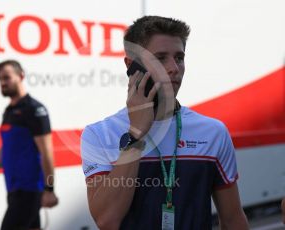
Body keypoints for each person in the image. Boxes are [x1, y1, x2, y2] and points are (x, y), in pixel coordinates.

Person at [80, 16, 249, 229]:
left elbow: (233, 219)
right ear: (131, 66)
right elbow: (107, 220)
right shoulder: (98, 134)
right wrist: (135, 134)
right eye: (160, 58)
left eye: (179, 57)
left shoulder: (213, 131)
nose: (174, 68)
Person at [0, 60, 58, 230]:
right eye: (0, 79)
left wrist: (49, 190)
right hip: (13, 189)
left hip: (29, 191)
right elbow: (6, 147)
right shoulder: (9, 111)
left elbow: (47, 152)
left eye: (6, 77)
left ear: (21, 76)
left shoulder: (34, 110)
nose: (3, 83)